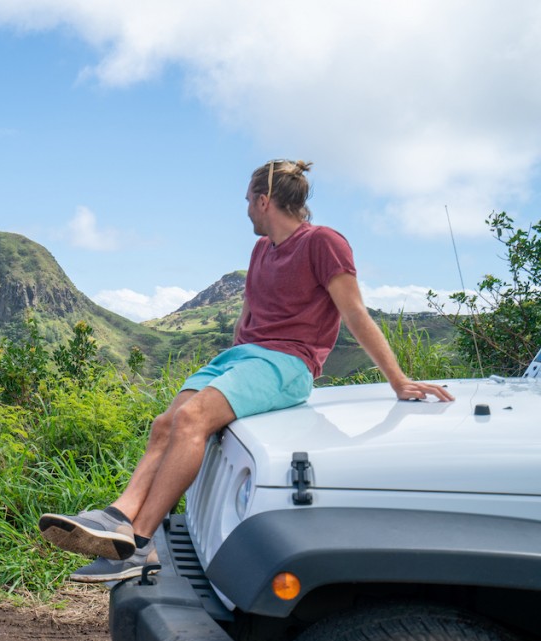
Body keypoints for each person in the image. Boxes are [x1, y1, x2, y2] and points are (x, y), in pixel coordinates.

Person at [38, 159, 455, 583]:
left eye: (248, 203)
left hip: (288, 363)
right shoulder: (261, 250)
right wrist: (229, 369)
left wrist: (398, 380)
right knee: (165, 424)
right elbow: (245, 321)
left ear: (263, 200)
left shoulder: (324, 243)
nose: (246, 212)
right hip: (243, 356)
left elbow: (355, 314)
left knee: (192, 420)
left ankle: (140, 545)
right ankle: (118, 517)